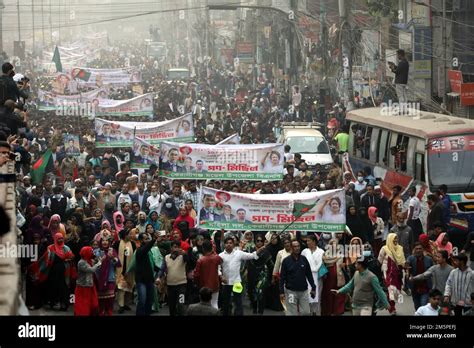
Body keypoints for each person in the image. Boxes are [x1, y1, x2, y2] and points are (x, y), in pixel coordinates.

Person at [29, 232, 75, 311]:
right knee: (52, 286)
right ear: (55, 239)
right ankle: (52, 303)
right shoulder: (50, 248)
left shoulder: (66, 248)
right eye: (59, 238)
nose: (60, 240)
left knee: (63, 288)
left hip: (64, 271)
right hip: (52, 271)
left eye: (61, 238)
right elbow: (45, 259)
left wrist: (68, 259)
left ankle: (63, 305)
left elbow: (72, 257)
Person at [219, 236, 262, 316]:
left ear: (234, 244)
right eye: (227, 243)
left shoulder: (238, 253)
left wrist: (260, 250)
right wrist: (221, 276)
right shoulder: (221, 255)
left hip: (237, 282)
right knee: (225, 303)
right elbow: (217, 267)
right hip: (226, 283)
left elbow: (252, 255)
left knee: (238, 302)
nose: (229, 244)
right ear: (224, 245)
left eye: (231, 243)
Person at [279, 240, 316, 316]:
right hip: (291, 292)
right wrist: (281, 292)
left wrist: (313, 287)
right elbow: (282, 277)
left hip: (303, 292)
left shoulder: (304, 259)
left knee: (306, 312)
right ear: (291, 248)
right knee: (292, 313)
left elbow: (309, 274)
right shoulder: (286, 261)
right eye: (295, 246)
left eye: (298, 246)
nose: (297, 248)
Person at [157, 240, 188, 316]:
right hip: (170, 286)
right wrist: (158, 277)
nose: (176, 249)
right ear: (171, 248)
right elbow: (162, 269)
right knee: (172, 306)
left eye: (178, 247)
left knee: (181, 304)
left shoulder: (183, 256)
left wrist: (185, 254)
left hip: (182, 285)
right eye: (174, 247)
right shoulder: (166, 257)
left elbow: (190, 260)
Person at [378, 233, 406, 315]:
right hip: (387, 272)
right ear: (390, 240)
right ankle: (392, 308)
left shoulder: (400, 248)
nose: (396, 241)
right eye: (394, 239)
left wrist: (405, 266)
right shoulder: (384, 249)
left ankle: (392, 305)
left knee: (397, 291)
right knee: (391, 289)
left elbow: (402, 261)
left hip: (398, 273)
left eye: (396, 239)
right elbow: (379, 260)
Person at [246, 236, 273, 315]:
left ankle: (260, 311)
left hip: (262, 276)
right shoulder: (250, 251)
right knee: (252, 293)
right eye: (257, 241)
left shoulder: (266, 252)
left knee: (261, 294)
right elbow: (246, 262)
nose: (259, 242)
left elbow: (271, 265)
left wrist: (271, 276)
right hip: (251, 275)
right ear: (255, 242)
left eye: (261, 241)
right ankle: (254, 309)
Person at [94, 238, 120, 316]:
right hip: (99, 277)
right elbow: (93, 264)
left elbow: (118, 263)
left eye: (106, 241)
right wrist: (100, 261)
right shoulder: (96, 252)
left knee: (110, 297)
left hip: (110, 277)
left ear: (109, 242)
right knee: (101, 297)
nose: (105, 242)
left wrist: (112, 257)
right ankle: (101, 310)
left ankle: (109, 310)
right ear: (100, 242)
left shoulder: (112, 251)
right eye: (103, 240)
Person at [134, 232, 159, 316]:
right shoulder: (139, 251)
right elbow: (145, 249)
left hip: (149, 279)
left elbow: (152, 264)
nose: (148, 240)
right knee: (142, 300)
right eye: (146, 239)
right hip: (141, 280)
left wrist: (161, 270)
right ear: (141, 240)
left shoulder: (149, 252)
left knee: (149, 300)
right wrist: (153, 239)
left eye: (148, 238)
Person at [193, 240, 222, 309]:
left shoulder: (200, 260)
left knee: (204, 305)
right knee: (215, 303)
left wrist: (197, 284)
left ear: (203, 248)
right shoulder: (216, 258)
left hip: (203, 286)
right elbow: (221, 261)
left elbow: (196, 275)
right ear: (212, 248)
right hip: (215, 285)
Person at [321, 238, 346, 316]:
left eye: (335, 244)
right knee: (328, 294)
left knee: (338, 293)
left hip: (339, 277)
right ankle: (328, 311)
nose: (333, 245)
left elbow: (345, 264)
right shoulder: (325, 254)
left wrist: (344, 265)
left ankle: (337, 311)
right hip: (328, 277)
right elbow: (325, 262)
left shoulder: (341, 254)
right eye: (331, 244)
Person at [301, 234, 325, 315]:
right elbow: (302, 263)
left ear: (314, 241)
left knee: (317, 296)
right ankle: (308, 313)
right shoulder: (304, 251)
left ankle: (317, 313)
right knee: (307, 296)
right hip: (306, 277)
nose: (307, 242)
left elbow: (321, 264)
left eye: (308, 241)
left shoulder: (321, 251)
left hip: (317, 276)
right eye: (306, 241)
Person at [406, 242, 433, 311]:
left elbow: (432, 273)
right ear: (414, 250)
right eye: (416, 249)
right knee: (417, 307)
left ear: (423, 249)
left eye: (420, 248)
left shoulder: (429, 260)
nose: (418, 250)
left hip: (426, 288)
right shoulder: (411, 259)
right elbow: (406, 263)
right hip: (415, 288)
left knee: (423, 306)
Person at [74, 246, 101, 316]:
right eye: (91, 252)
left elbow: (96, 266)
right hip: (82, 286)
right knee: (83, 304)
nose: (92, 253)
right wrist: (98, 264)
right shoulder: (81, 262)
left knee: (93, 302)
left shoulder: (89, 260)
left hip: (90, 285)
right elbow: (91, 270)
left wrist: (98, 261)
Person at [114, 229, 136, 314]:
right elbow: (114, 253)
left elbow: (134, 255)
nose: (130, 235)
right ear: (124, 235)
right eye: (128, 234)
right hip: (120, 269)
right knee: (121, 288)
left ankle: (126, 304)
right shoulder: (118, 243)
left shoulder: (132, 244)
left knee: (129, 287)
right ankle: (121, 305)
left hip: (130, 269)